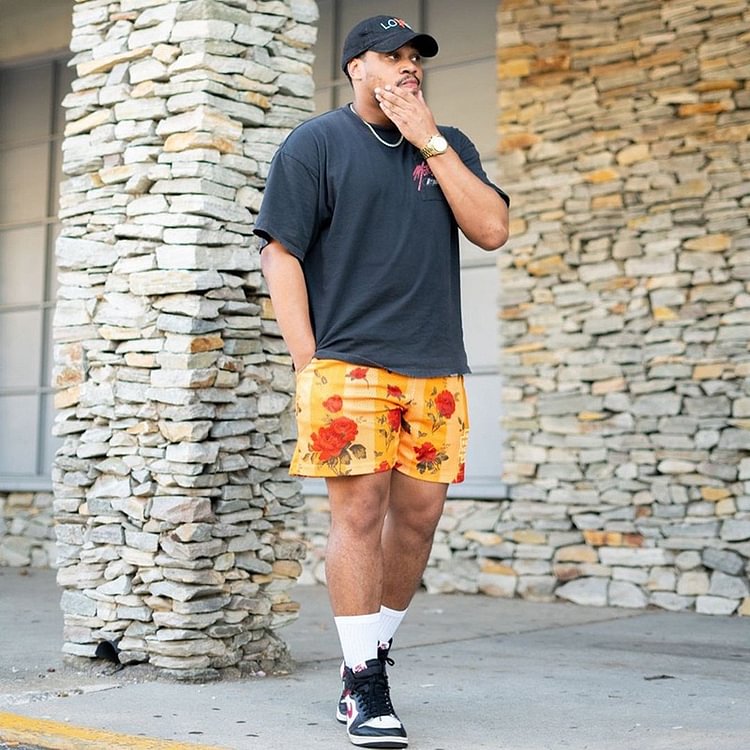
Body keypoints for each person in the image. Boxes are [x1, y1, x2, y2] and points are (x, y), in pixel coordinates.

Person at [255, 14, 509, 749]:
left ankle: (367, 655)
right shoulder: (315, 143)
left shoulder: (448, 144)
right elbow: (280, 253)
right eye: (390, 55)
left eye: (414, 57)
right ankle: (366, 684)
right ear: (355, 68)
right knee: (360, 513)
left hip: (435, 362)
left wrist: (430, 139)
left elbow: (492, 229)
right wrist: (308, 362)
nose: (407, 66)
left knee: (421, 517)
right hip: (349, 361)